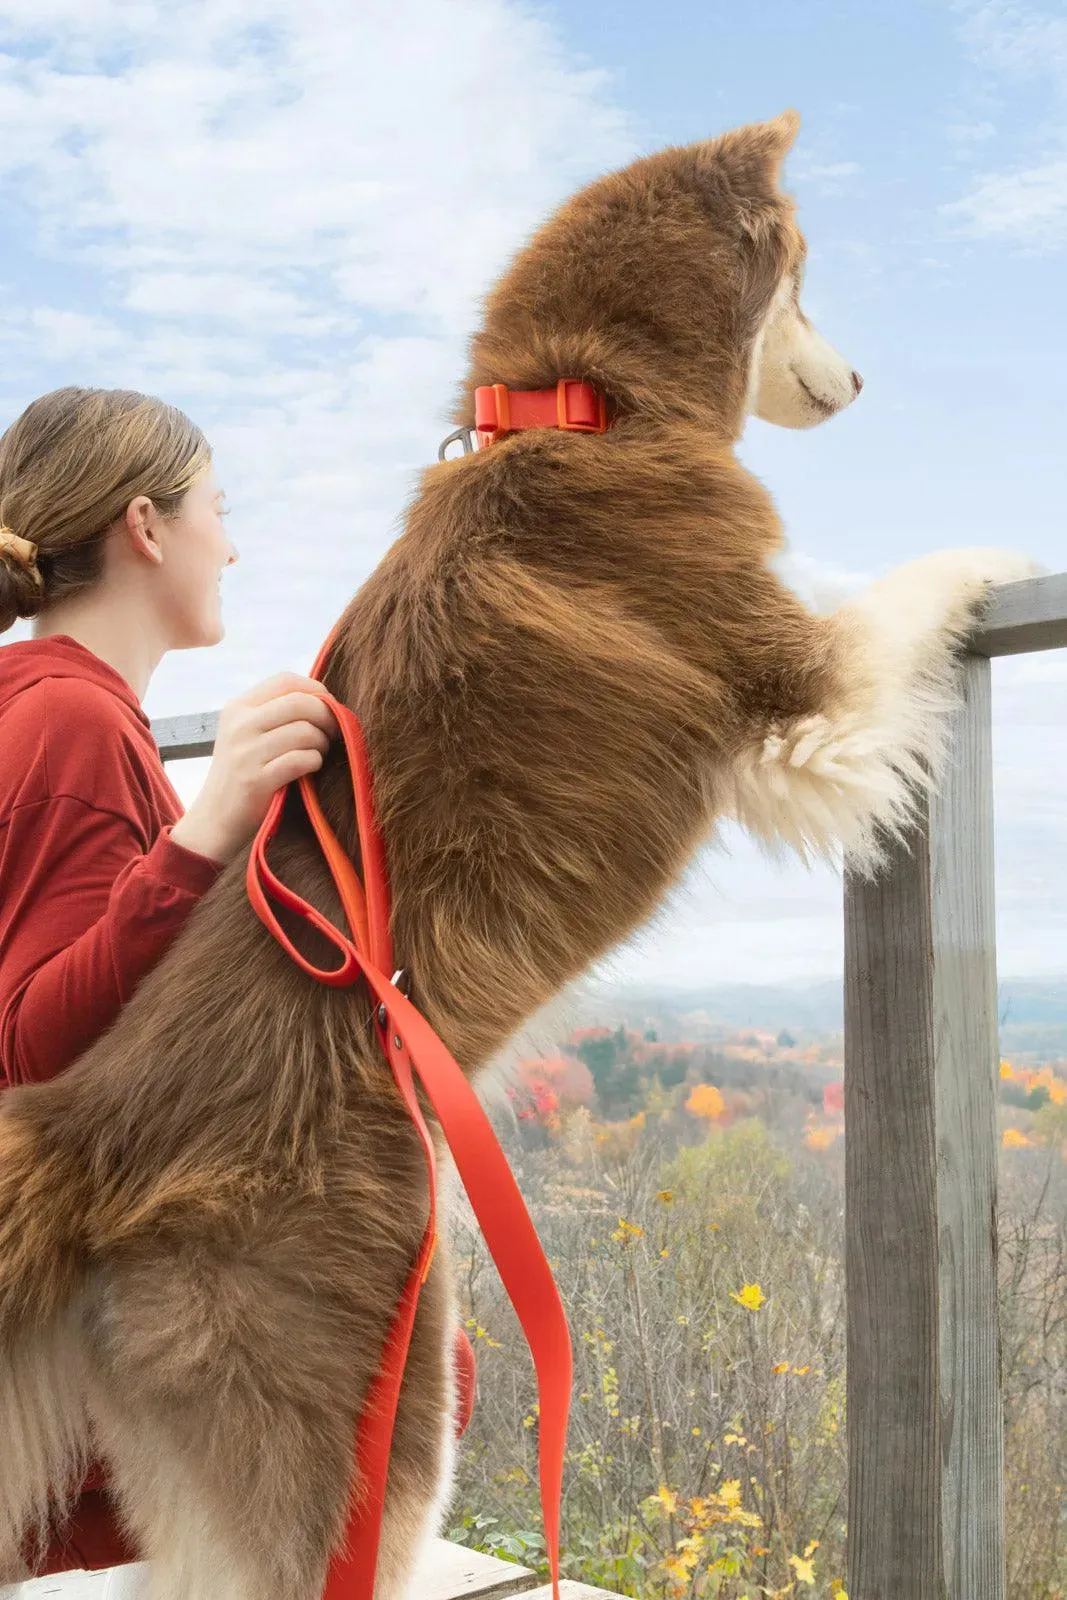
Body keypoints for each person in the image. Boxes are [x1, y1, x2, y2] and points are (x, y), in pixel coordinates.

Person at [0, 387, 475, 1592]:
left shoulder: (54, 708)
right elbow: (36, 1046)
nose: (235, 541)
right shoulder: (68, 722)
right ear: (147, 527)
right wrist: (204, 833)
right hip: (101, 1348)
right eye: (221, 507)